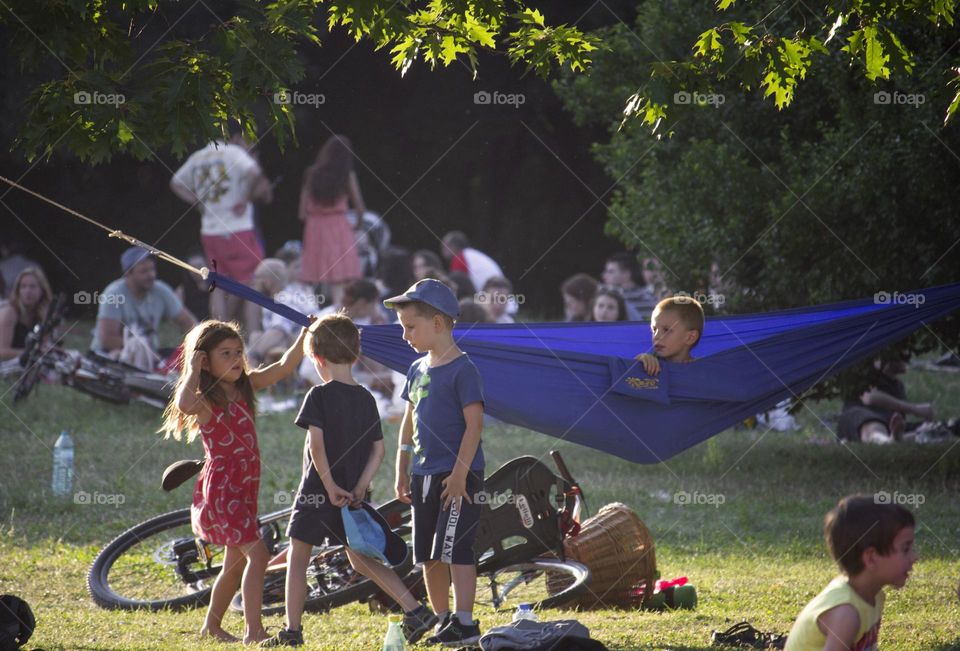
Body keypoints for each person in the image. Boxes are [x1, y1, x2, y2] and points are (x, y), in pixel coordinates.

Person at [261, 313, 438, 648]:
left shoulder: (319, 395)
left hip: (318, 492)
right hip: (353, 494)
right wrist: (359, 488)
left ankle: (292, 631)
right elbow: (379, 450)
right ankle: (416, 610)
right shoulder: (367, 398)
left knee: (298, 558)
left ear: (316, 358)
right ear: (356, 356)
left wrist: (328, 488)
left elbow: (316, 446)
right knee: (360, 557)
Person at [161, 319, 309, 644]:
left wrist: (304, 334)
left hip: (244, 488)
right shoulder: (205, 400)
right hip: (222, 491)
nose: (235, 359)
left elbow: (283, 367)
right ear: (205, 361)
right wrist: (193, 370)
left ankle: (211, 627)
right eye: (225, 353)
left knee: (234, 563)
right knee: (258, 556)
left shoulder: (245, 387)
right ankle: (253, 630)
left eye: (238, 352)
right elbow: (183, 403)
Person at [384, 279, 486, 647]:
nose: (405, 335)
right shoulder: (415, 369)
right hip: (423, 475)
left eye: (410, 327)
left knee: (456, 549)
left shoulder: (464, 369)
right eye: (403, 328)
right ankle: (444, 620)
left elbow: (474, 426)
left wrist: (459, 476)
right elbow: (408, 424)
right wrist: (401, 469)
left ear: (438, 323)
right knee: (427, 553)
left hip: (458, 474)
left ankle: (465, 622)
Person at [170, 120, 273, 322]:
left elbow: (176, 182)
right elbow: (255, 173)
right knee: (252, 281)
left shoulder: (198, 157)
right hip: (238, 228)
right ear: (234, 137)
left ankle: (219, 329)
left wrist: (197, 201)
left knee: (217, 284)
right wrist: (244, 197)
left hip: (210, 230)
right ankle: (251, 334)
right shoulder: (234, 153)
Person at [784, 495, 916, 651]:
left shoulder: (873, 595)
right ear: (871, 558)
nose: (914, 557)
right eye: (905, 549)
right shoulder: (846, 613)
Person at [90, 247, 196, 366]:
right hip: (110, 355)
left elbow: (188, 322)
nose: (151, 275)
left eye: (152, 269)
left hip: (149, 355)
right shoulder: (113, 293)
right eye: (143, 271)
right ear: (128, 274)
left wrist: (196, 343)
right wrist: (140, 348)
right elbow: (107, 340)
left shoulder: (160, 290)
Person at [298, 134, 364, 305]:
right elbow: (360, 208)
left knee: (312, 277)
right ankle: (340, 319)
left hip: (315, 227)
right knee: (340, 279)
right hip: (339, 227)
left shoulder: (311, 174)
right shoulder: (347, 176)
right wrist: (356, 225)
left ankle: (308, 314)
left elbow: (302, 213)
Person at [837, 355, 936, 444]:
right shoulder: (866, 376)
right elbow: (870, 397)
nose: (907, 358)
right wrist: (916, 410)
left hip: (888, 424)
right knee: (871, 423)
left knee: (933, 430)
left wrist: (927, 419)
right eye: (902, 355)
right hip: (860, 418)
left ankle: (896, 440)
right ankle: (886, 441)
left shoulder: (898, 386)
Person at [634, 296, 704, 375]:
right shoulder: (649, 365)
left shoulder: (703, 371)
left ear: (690, 338)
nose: (656, 336)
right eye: (654, 330)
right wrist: (640, 361)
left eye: (666, 330)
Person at [0, 267, 52, 361]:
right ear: (18, 290)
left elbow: (44, 347)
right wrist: (32, 352)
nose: (27, 291)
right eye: (23, 286)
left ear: (42, 290)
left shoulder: (42, 314)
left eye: (32, 287)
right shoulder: (10, 312)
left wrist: (45, 322)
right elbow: (2, 352)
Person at [602, 252, 658, 321]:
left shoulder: (651, 295)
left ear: (626, 274)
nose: (604, 276)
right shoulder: (650, 295)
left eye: (610, 271)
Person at [175, 251, 211, 322]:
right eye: (192, 268)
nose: (196, 270)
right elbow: (175, 311)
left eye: (199, 266)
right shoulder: (182, 290)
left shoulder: (217, 288)